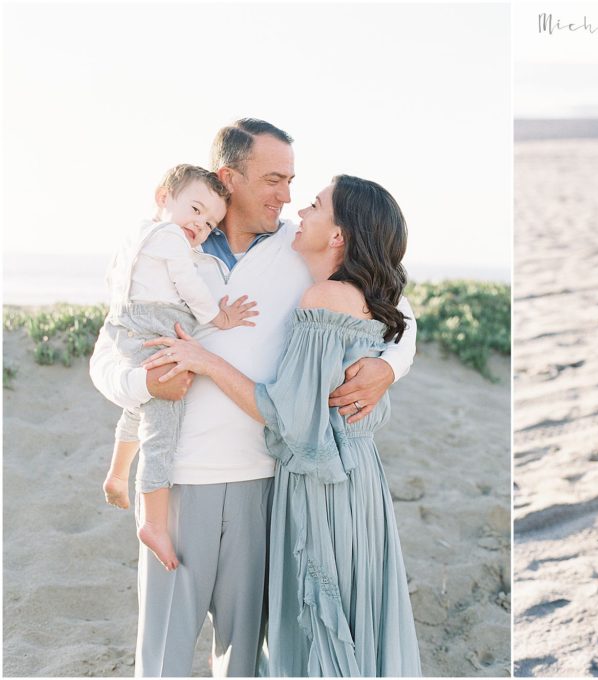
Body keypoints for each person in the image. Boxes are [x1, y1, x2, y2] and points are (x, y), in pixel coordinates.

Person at [89, 119, 417, 677]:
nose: (287, 195)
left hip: (264, 483)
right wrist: (146, 385)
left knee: (245, 658)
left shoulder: (299, 248)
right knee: (162, 655)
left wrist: (388, 368)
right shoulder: (165, 246)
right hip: (179, 479)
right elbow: (106, 359)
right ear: (228, 178)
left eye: (293, 181)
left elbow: (398, 312)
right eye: (272, 179)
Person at [100, 164, 259, 573]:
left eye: (209, 224)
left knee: (139, 408)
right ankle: (153, 522)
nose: (200, 225)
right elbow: (187, 283)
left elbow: (114, 281)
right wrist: (217, 318)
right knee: (163, 424)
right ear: (162, 197)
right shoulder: (171, 237)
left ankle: (118, 474)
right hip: (156, 321)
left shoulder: (137, 234)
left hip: (128, 320)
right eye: (194, 209)